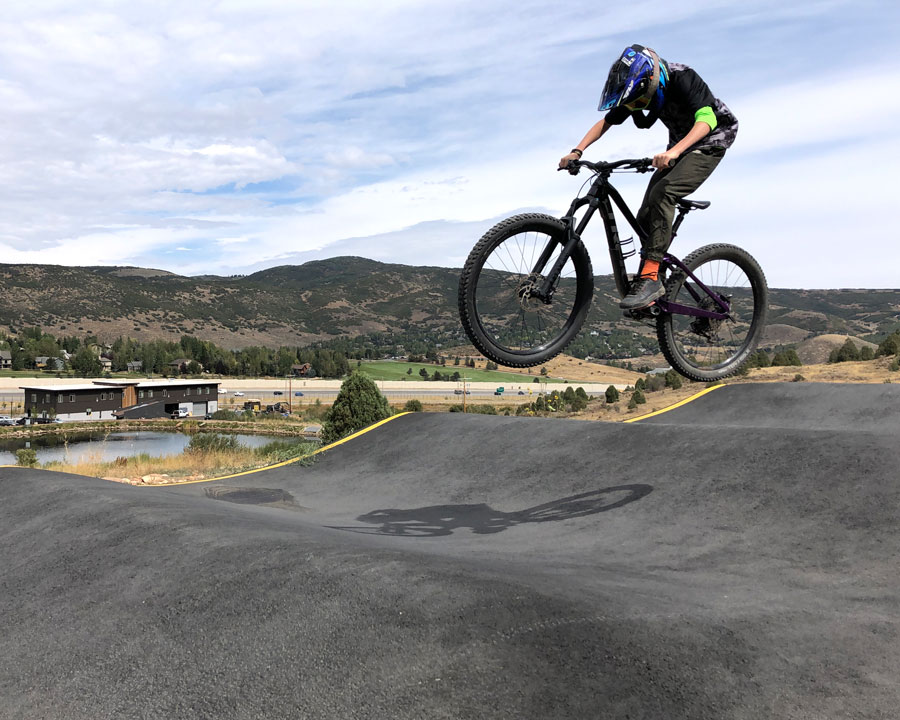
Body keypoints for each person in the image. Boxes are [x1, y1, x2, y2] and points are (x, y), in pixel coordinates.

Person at [559, 44, 738, 311]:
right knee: (644, 217)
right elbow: (606, 122)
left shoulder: (683, 77)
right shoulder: (638, 90)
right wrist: (577, 150)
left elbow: (706, 119)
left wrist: (674, 151)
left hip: (711, 140)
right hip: (680, 146)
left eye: (640, 102)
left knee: (663, 193)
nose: (637, 108)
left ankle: (651, 275)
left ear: (652, 82)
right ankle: (654, 285)